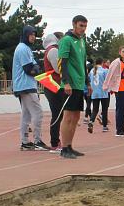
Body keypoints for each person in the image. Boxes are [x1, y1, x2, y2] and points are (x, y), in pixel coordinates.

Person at [12, 25, 49, 151]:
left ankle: (25, 141)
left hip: (24, 85)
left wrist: (36, 68)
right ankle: (37, 140)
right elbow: (29, 69)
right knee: (37, 112)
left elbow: (35, 67)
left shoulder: (25, 48)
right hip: (26, 85)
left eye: (35, 35)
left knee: (26, 115)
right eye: (31, 34)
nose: (33, 37)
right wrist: (36, 69)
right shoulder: (23, 49)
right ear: (26, 35)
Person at [58, 15, 88, 159]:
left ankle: (70, 146)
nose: (83, 29)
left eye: (85, 26)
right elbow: (62, 62)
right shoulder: (66, 40)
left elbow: (83, 63)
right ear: (74, 24)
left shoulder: (82, 41)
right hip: (70, 84)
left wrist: (87, 82)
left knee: (76, 116)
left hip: (80, 84)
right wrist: (66, 82)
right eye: (81, 25)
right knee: (68, 116)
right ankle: (64, 148)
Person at [42, 31, 65, 151]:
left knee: (59, 114)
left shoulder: (50, 50)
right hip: (54, 86)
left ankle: (56, 141)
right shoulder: (53, 50)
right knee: (57, 115)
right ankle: (55, 143)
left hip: (53, 86)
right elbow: (58, 68)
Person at [103, 46, 124, 137]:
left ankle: (122, 129)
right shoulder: (116, 62)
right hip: (119, 89)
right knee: (120, 109)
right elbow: (110, 73)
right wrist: (106, 85)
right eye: (123, 51)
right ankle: (119, 130)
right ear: (119, 52)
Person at [88, 58, 110, 132]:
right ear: (102, 63)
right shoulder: (104, 70)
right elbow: (107, 81)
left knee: (95, 109)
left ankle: (91, 121)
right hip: (103, 92)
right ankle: (104, 126)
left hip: (94, 92)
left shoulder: (92, 71)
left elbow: (90, 80)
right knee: (104, 109)